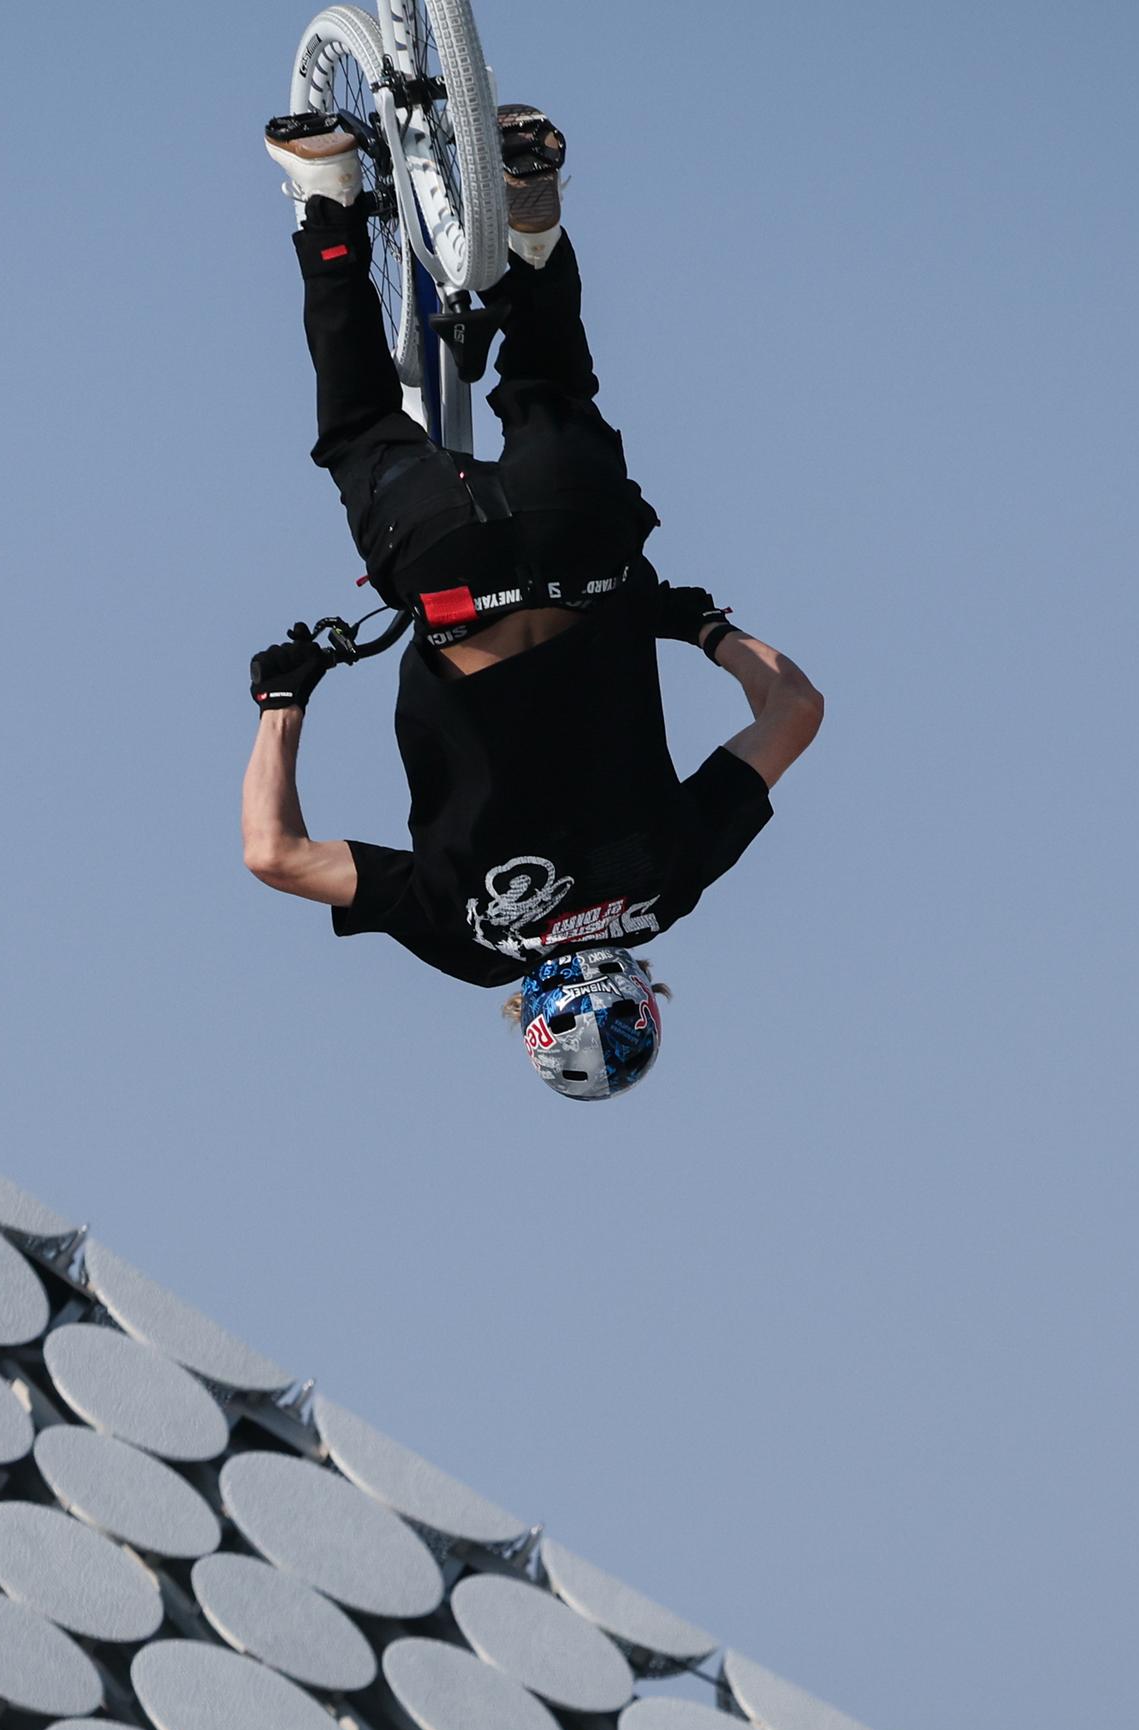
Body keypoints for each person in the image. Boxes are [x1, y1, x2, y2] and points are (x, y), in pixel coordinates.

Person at [239, 104, 825, 1101]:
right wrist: (284, 701)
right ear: (532, 1017)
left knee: (553, 382)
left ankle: (532, 231)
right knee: (358, 426)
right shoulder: (476, 942)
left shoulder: (671, 883)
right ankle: (326, 193)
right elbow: (276, 856)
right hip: (450, 574)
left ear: (642, 987)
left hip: (583, 547)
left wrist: (698, 624)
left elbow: (796, 709)